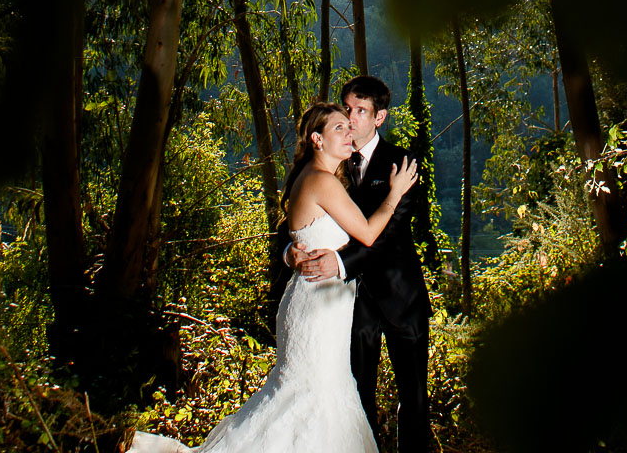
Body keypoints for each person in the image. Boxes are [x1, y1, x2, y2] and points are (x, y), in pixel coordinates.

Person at [126, 101, 419, 453]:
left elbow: (297, 234)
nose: (348, 132)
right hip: (318, 311)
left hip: (318, 303)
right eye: (338, 128)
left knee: (307, 395)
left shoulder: (312, 177)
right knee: (315, 397)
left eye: (350, 125)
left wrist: (291, 252)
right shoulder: (322, 182)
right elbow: (369, 235)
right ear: (317, 139)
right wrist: (396, 192)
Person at [286, 76, 433, 453]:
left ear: (380, 117)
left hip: (401, 297)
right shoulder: (332, 162)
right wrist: (292, 252)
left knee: (414, 401)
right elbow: (302, 221)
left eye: (360, 111)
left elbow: (386, 235)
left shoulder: (403, 163)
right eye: (346, 109)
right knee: (354, 397)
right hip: (349, 305)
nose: (350, 119)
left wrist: (339, 262)